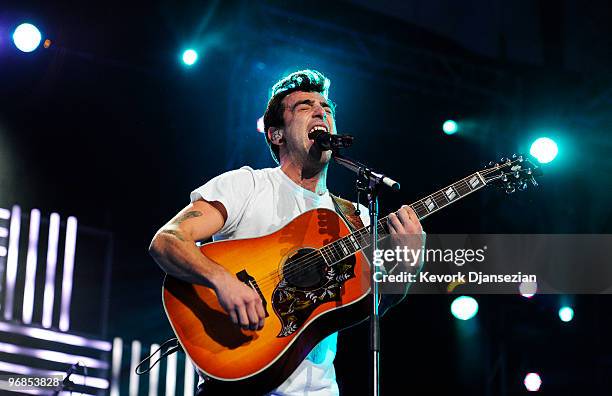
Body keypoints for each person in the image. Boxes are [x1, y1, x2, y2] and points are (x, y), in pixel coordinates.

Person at [149, 69, 423, 395]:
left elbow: (374, 304)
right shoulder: (246, 185)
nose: (321, 111)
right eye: (305, 106)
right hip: (237, 379)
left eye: (327, 108)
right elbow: (167, 240)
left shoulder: (356, 217)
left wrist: (408, 264)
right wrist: (221, 280)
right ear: (276, 135)